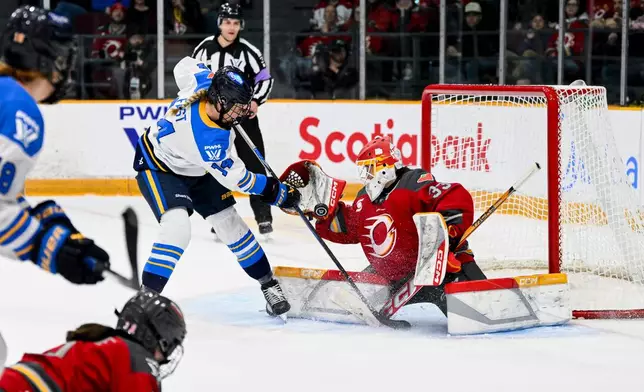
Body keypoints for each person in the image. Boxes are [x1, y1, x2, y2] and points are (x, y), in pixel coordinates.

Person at [132, 56, 298, 317]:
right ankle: (144, 301)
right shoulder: (208, 141)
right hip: (161, 166)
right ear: (220, 101)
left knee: (231, 225)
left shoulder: (204, 84)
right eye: (237, 107)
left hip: (196, 167)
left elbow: (183, 64)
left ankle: (268, 284)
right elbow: (240, 179)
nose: (242, 113)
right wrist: (275, 191)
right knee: (177, 230)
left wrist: (211, 75)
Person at [286, 136, 487, 315]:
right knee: (356, 299)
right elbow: (350, 227)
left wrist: (448, 234)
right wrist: (320, 212)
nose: (366, 175)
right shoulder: (363, 198)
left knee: (479, 311)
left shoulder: (413, 182)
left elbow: (452, 196)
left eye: (369, 168)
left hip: (444, 272)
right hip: (395, 279)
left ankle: (480, 295)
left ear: (385, 167)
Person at [0, 6, 109, 285]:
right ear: (46, 60)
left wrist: (32, 218)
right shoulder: (19, 109)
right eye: (61, 57)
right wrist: (49, 245)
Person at [193, 2, 276, 237]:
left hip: (242, 118)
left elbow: (265, 78)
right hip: (214, 119)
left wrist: (256, 100)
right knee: (217, 164)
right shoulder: (203, 49)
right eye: (227, 22)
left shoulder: (248, 51)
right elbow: (192, 76)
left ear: (241, 25)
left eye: (236, 23)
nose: (231, 27)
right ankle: (220, 217)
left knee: (255, 164)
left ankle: (264, 217)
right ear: (220, 23)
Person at [0, 290, 186, 391]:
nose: (165, 357)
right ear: (157, 337)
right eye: (167, 347)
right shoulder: (137, 360)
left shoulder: (101, 342)